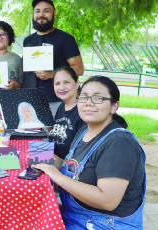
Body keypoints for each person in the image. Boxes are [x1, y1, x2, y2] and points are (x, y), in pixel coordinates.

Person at [33, 76, 146, 229]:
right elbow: (72, 166)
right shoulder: (84, 131)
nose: (88, 102)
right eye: (84, 97)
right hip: (75, 216)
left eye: (98, 98)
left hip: (105, 224)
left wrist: (57, 176)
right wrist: (45, 159)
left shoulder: (119, 143)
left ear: (114, 106)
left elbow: (107, 200)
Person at [23, 0, 84, 111]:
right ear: (33, 14)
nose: (41, 14)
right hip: (30, 100)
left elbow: (79, 70)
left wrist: (53, 74)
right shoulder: (28, 41)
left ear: (54, 13)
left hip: (57, 101)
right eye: (37, 11)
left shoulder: (65, 39)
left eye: (46, 11)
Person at [48, 66, 86, 159]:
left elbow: (82, 151)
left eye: (66, 82)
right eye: (57, 83)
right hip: (53, 162)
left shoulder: (83, 112)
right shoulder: (61, 107)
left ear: (77, 83)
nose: (61, 87)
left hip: (68, 169)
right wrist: (47, 118)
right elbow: (55, 135)